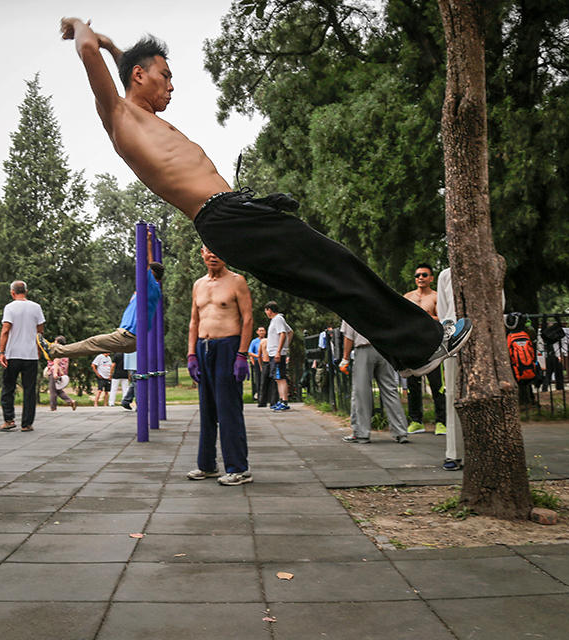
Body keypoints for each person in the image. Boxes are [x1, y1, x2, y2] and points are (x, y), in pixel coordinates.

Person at [59, 18, 472, 378]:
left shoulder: (146, 121)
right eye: (164, 75)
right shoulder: (118, 115)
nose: (171, 84)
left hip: (229, 220)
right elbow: (87, 49)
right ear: (138, 76)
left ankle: (411, 353)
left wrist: (116, 47)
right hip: (226, 216)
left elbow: (112, 56)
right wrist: (79, 24)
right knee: (336, 263)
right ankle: (425, 341)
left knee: (326, 280)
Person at [186, 245, 254, 485]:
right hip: (204, 349)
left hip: (228, 347)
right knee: (207, 409)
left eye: (218, 250)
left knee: (228, 409)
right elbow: (194, 321)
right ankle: (207, 465)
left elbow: (247, 319)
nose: (213, 254)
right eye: (209, 250)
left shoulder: (237, 281)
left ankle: (238, 468)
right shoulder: (198, 285)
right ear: (202, 254)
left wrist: (242, 355)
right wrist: (191, 354)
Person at [39, 233, 162, 359]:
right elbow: (151, 265)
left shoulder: (151, 287)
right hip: (128, 337)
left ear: (152, 274)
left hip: (128, 338)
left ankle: (53, 351)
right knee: (92, 343)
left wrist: (148, 242)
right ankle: (55, 350)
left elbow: (147, 263)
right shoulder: (151, 289)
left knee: (92, 343)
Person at [339, 321, 410, 444]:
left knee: (361, 392)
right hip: (384, 349)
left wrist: (345, 358)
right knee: (390, 390)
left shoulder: (352, 304)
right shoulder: (381, 302)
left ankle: (361, 433)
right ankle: (401, 432)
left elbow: (349, 335)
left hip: (363, 349)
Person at [403, 264, 447, 435]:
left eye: (424, 275)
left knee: (437, 385)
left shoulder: (436, 297)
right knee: (413, 385)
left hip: (431, 345)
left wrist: (427, 318)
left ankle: (441, 422)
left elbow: (443, 319)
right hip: (412, 345)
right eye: (417, 275)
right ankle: (416, 421)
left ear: (431, 278)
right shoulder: (407, 297)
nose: (420, 278)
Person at [0, 280, 45, 432]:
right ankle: (27, 424)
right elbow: (40, 332)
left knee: (8, 388)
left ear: (12, 292)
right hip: (30, 354)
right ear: (26, 291)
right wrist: (39, 349)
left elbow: (5, 330)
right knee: (29, 390)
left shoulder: (10, 307)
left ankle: (9, 420)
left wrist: (2, 352)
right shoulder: (36, 307)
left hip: (13, 354)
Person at [436, 268, 464, 470]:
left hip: (483, 344)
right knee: (452, 396)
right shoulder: (446, 275)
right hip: (454, 342)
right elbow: (444, 312)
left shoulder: (490, 264)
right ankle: (453, 453)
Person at [263, 301, 293, 411]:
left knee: (280, 378)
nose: (265, 313)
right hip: (274, 353)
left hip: (276, 353)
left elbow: (283, 333)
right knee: (277, 378)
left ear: (269, 310)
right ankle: (281, 400)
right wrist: (286, 346)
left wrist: (279, 351)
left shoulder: (278, 319)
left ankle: (284, 401)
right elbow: (290, 331)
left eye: (266, 310)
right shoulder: (275, 320)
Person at [46, 336, 77, 411]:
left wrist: (55, 373)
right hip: (62, 374)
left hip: (54, 372)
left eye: (55, 341)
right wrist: (63, 373)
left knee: (53, 391)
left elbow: (56, 362)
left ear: (58, 342)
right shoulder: (65, 351)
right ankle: (70, 401)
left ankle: (53, 407)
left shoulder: (57, 350)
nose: (54, 342)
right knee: (58, 390)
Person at [247, 326, 264, 401]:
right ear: (257, 332)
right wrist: (257, 356)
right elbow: (250, 352)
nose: (262, 332)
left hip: (266, 360)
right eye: (260, 331)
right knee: (258, 378)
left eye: (263, 330)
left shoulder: (267, 340)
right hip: (258, 361)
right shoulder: (254, 341)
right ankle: (259, 395)